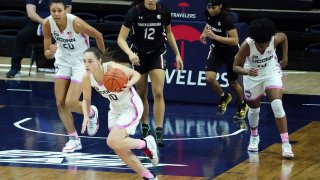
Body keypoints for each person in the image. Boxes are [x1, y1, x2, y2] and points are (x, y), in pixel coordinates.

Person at [81, 47, 159, 180]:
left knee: (112, 141)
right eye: (84, 61)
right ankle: (149, 177)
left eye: (90, 61)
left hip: (130, 106)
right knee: (119, 148)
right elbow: (86, 99)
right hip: (115, 110)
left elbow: (136, 74)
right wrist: (85, 115)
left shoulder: (111, 67)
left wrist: (129, 84)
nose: (86, 65)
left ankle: (146, 144)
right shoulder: (86, 77)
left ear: (99, 61)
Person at [117, 0, 184, 146]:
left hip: (157, 53)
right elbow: (121, 39)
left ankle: (159, 130)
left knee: (158, 92)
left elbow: (169, 32)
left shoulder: (164, 11)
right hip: (138, 54)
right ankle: (145, 125)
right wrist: (129, 53)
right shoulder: (134, 12)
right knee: (141, 92)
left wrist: (178, 54)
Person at [42, 0, 105, 152]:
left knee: (70, 102)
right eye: (53, 11)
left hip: (80, 61)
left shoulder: (76, 23)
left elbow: (98, 35)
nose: (56, 14)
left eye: (59, 10)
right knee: (60, 103)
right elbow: (47, 54)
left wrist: (100, 60)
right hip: (63, 59)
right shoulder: (47, 23)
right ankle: (74, 139)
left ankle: (91, 112)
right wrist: (50, 53)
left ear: (66, 10)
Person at [233, 18, 294, 158]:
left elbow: (284, 36)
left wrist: (285, 58)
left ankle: (285, 143)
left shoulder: (273, 39)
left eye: (266, 45)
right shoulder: (247, 45)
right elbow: (235, 66)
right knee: (254, 110)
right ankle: (254, 136)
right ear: (255, 41)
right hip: (252, 75)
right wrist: (247, 72)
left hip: (271, 72)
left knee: (277, 105)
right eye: (261, 46)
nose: (264, 48)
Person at [200, 0, 248, 119]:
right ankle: (224, 96)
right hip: (216, 49)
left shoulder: (226, 19)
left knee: (233, 82)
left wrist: (215, 36)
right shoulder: (208, 13)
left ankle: (242, 104)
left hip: (230, 51)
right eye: (209, 7)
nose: (211, 10)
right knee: (209, 78)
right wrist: (204, 33)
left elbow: (235, 40)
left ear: (220, 6)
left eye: (214, 8)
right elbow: (209, 24)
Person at [6, 0, 72, 78]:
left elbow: (67, 12)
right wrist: (44, 22)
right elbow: (31, 13)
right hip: (37, 23)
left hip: (57, 24)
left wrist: (53, 24)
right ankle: (15, 68)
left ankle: (63, 70)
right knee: (21, 36)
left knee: (66, 39)